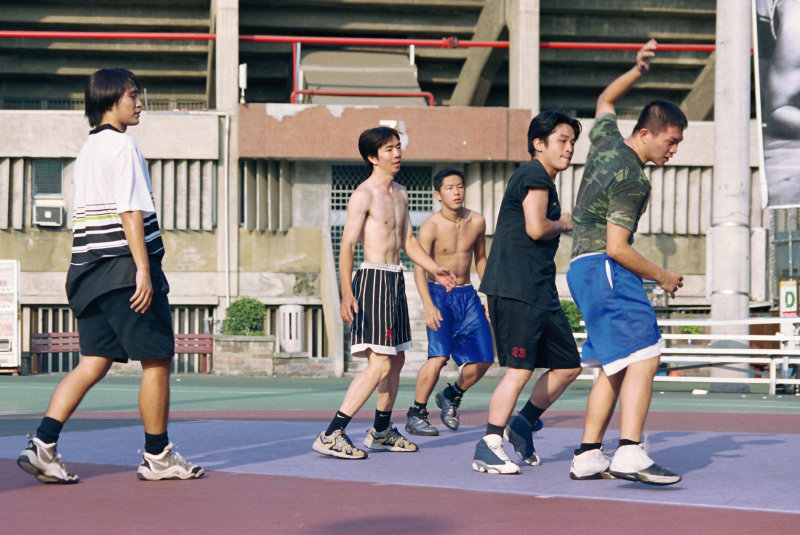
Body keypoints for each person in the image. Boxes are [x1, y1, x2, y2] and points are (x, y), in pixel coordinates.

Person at [16, 68, 203, 484]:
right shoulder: (123, 145)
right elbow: (130, 210)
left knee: (93, 362)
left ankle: (43, 444)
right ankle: (158, 455)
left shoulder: (87, 152)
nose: (139, 103)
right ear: (109, 100)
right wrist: (142, 269)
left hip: (87, 271)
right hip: (123, 268)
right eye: (132, 95)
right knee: (157, 359)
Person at [567, 40, 686, 486]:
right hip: (606, 267)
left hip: (580, 268)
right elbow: (618, 246)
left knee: (615, 365)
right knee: (647, 352)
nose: (672, 150)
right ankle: (631, 451)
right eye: (670, 141)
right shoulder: (634, 178)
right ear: (647, 134)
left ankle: (587, 455)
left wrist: (636, 70)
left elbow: (604, 101)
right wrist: (663, 276)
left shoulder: (603, 142)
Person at [312, 127, 456, 460]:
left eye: (397, 147)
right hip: (372, 279)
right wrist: (347, 292)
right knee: (379, 364)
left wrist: (435, 268)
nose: (396, 154)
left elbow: (408, 242)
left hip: (394, 279)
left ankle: (380, 431)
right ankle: (332, 433)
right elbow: (347, 245)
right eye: (388, 149)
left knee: (397, 359)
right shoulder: (364, 194)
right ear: (372, 157)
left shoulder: (401, 194)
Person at [472, 111, 583, 475]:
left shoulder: (543, 179)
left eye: (572, 142)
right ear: (539, 143)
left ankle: (522, 423)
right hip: (517, 288)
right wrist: (563, 222)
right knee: (519, 370)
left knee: (568, 365)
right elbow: (537, 228)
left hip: (539, 290)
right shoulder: (534, 174)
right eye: (562, 140)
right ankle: (489, 444)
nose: (569, 148)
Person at [404, 169, 494, 437]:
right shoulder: (430, 226)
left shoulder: (476, 221)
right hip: (439, 295)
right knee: (439, 356)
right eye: (449, 188)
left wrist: (487, 295)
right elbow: (419, 267)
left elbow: (481, 258)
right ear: (438, 194)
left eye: (460, 186)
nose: (456, 192)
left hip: (468, 296)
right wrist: (428, 305)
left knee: (485, 359)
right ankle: (417, 413)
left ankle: (451, 394)